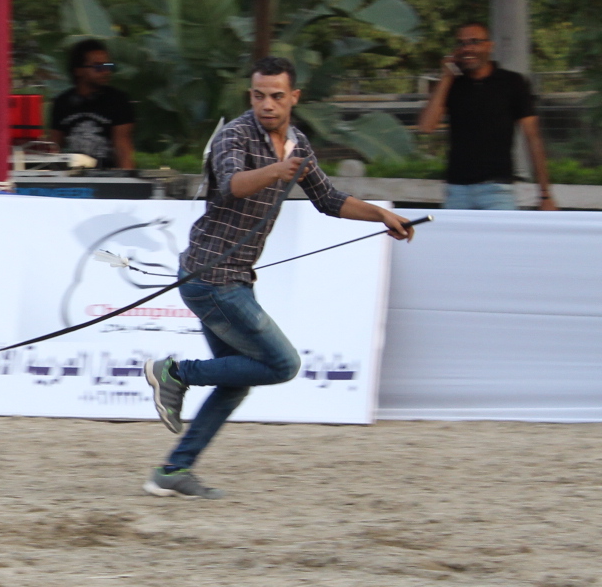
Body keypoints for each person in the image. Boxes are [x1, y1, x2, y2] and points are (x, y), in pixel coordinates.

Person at [143, 55, 413, 499]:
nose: (266, 104)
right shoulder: (235, 135)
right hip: (211, 276)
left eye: (276, 96)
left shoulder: (298, 145)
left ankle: (172, 471)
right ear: (250, 95)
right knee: (283, 364)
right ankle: (174, 373)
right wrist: (277, 169)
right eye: (258, 95)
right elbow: (231, 184)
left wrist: (381, 215)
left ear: (294, 98)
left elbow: (328, 199)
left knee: (237, 380)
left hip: (232, 277)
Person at [415, 22, 556, 211]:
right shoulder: (453, 85)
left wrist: (545, 194)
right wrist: (447, 76)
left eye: (475, 42)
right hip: (457, 190)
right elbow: (426, 127)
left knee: (501, 241)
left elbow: (533, 137)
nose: (468, 48)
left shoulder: (512, 82)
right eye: (462, 43)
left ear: (489, 46)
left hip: (498, 190)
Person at [50, 39, 136, 169]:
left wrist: (128, 182)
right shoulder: (63, 102)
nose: (105, 71)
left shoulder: (118, 100)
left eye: (108, 66)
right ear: (78, 70)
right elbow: (54, 146)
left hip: (107, 178)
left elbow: (123, 148)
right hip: (73, 177)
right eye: (98, 66)